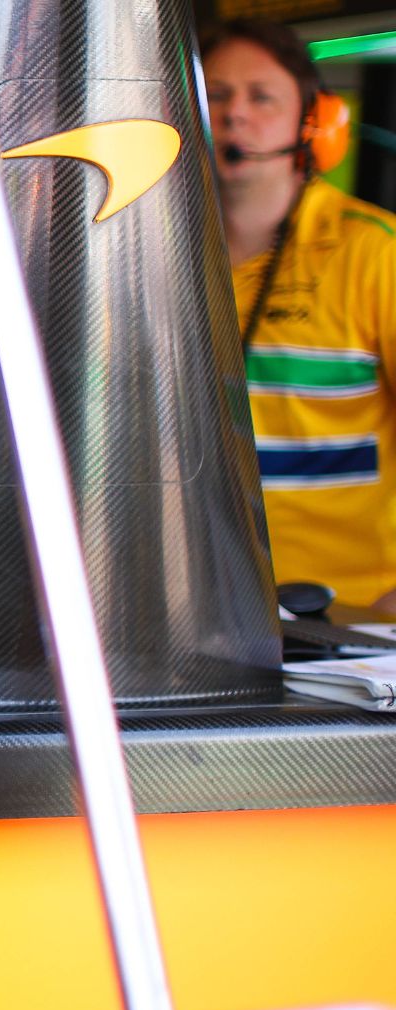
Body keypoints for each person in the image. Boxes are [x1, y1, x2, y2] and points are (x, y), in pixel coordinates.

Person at [206, 19, 396, 613]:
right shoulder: (147, 256)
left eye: (261, 96)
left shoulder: (376, 252)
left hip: (353, 619)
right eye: (215, 95)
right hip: (196, 615)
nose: (235, 115)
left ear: (315, 125)